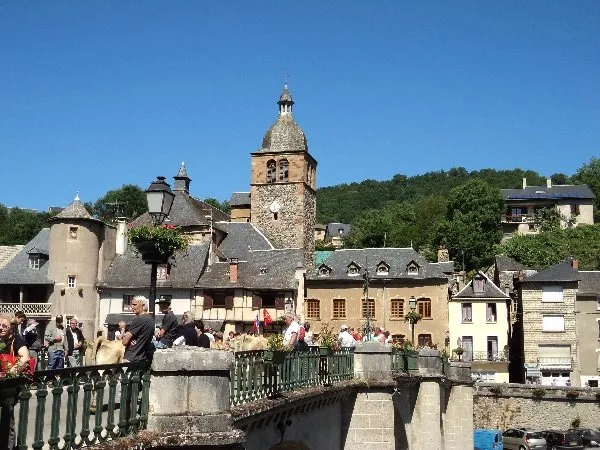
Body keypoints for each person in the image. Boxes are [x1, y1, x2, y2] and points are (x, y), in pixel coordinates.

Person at [0, 314, 31, 450]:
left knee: (7, 420)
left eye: (4, 326)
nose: (1, 328)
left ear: (11, 328)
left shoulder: (16, 340)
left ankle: (8, 447)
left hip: (9, 387)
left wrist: (10, 372)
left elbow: (25, 357)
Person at [122, 296, 155, 362]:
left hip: (131, 357)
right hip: (143, 357)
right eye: (131, 304)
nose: (132, 307)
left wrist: (128, 338)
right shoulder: (151, 319)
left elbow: (124, 342)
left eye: (134, 305)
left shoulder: (139, 319)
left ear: (143, 306)